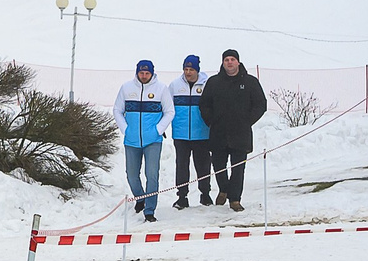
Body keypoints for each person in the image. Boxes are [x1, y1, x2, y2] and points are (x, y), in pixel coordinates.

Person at [200, 47, 268, 212]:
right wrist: (211, 121)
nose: (229, 62)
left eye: (232, 59)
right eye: (226, 60)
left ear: (238, 62)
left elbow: (261, 104)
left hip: (240, 133)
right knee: (218, 165)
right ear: (223, 63)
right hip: (218, 132)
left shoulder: (250, 81)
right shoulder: (214, 82)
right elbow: (204, 104)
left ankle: (235, 199)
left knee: (238, 168)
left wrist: (247, 121)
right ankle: (224, 189)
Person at [112, 59, 170, 222]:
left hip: (153, 140)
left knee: (151, 175)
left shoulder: (161, 89)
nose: (144, 76)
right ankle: (140, 198)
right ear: (137, 72)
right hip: (131, 140)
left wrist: (158, 130)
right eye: (141, 73)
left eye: (147, 73)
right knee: (131, 175)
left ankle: (150, 209)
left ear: (152, 73)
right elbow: (117, 110)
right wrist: (126, 129)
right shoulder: (126, 88)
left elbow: (169, 112)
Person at [169, 55, 214, 208]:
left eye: (191, 69)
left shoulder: (207, 84)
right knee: (182, 166)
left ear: (197, 70)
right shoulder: (174, 85)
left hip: (202, 133)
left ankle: (205, 194)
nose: (188, 72)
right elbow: (167, 108)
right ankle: (182, 196)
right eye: (186, 69)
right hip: (181, 134)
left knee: (203, 165)